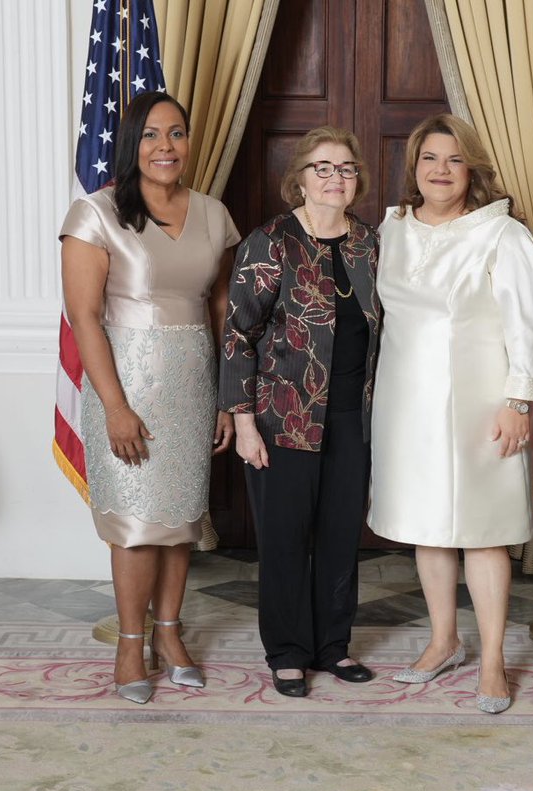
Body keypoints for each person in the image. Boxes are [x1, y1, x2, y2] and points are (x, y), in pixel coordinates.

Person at [60, 91, 239, 705]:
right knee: (135, 526)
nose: (167, 147)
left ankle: (170, 634)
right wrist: (114, 405)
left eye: (178, 133)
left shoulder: (215, 214)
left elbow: (220, 306)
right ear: (131, 143)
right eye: (152, 135)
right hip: (126, 383)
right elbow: (84, 317)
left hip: (193, 381)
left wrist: (224, 396)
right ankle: (130, 643)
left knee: (181, 521)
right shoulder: (96, 213)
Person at [369, 114, 533, 715]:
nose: (440, 171)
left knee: (483, 527)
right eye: (428, 159)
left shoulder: (502, 235)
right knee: (427, 523)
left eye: (452, 160)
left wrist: (518, 401)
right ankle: (444, 639)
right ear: (414, 168)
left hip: (480, 401)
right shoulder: (391, 228)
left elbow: (527, 325)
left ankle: (493, 659)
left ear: (471, 168)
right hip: (404, 402)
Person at [218, 127, 380, 699]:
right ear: (300, 179)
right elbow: (239, 336)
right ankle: (286, 651)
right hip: (281, 418)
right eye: (323, 168)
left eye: (345, 168)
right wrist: (241, 422)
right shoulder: (270, 242)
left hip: (353, 419)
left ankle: (332, 645)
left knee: (340, 536)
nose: (336, 178)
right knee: (286, 539)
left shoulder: (370, 244)